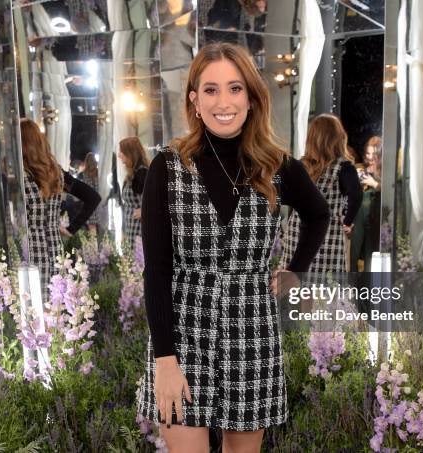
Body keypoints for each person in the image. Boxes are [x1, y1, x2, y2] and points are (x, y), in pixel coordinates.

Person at [137, 42, 330, 453]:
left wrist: (294, 269)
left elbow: (318, 215)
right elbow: (156, 272)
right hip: (184, 333)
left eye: (234, 88)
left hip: (252, 333)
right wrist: (164, 360)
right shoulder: (167, 167)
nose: (223, 101)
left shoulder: (279, 167)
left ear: (251, 97)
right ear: (194, 99)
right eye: (210, 90)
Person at [20, 119, 101, 298]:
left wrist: (72, 228)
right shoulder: (55, 172)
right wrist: (71, 229)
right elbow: (92, 197)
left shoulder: (22, 176)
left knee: (35, 311)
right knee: (55, 310)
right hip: (56, 251)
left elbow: (93, 198)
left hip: (32, 253)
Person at [280, 114, 362, 273]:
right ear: (338, 137)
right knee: (324, 290)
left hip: (297, 233)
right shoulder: (343, 167)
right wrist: (347, 221)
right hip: (327, 236)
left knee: (296, 284)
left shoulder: (301, 165)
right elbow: (356, 194)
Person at [350, 136, 382, 272]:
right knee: (353, 254)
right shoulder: (360, 168)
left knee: (371, 256)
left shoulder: (383, 173)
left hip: (375, 220)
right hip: (357, 220)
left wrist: (374, 183)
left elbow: (390, 192)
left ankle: (368, 288)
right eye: (367, 154)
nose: (369, 158)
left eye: (374, 154)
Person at [118, 137, 149, 252]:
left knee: (139, 265)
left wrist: (145, 210)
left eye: (121, 152)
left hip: (140, 230)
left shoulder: (143, 173)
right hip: (131, 228)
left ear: (130, 153)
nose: (119, 155)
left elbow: (159, 200)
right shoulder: (132, 174)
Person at [78, 152, 101, 233]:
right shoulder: (99, 174)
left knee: (90, 229)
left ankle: (92, 245)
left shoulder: (83, 174)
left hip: (88, 203)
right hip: (98, 204)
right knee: (96, 229)